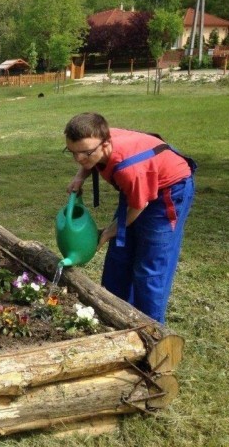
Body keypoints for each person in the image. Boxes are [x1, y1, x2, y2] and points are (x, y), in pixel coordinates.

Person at [63, 112, 196, 324]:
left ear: (106, 144)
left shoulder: (128, 168)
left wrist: (107, 232)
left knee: (149, 266)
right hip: (137, 187)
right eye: (73, 153)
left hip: (168, 192)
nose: (79, 159)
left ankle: (149, 330)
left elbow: (138, 206)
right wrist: (80, 176)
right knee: (120, 255)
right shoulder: (95, 139)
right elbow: (88, 156)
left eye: (85, 154)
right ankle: (114, 316)